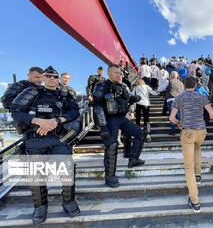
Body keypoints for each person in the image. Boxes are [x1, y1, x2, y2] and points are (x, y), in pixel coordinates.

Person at [10, 67, 80, 225]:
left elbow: (75, 112)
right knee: (36, 173)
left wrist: (57, 121)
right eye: (49, 76)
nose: (53, 78)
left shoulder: (65, 94)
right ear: (43, 77)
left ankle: (68, 201)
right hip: (36, 137)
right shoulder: (32, 92)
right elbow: (15, 111)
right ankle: (40, 206)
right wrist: (37, 121)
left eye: (55, 76)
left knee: (68, 168)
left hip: (58, 137)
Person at [93, 64, 146, 188]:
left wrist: (134, 99)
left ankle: (133, 159)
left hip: (122, 117)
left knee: (140, 133)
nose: (119, 75)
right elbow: (97, 107)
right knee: (112, 146)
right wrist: (103, 126)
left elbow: (127, 99)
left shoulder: (122, 87)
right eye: (116, 72)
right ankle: (110, 176)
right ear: (109, 73)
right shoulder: (101, 86)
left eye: (120, 73)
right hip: (110, 119)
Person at [169, 76, 213, 213]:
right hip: (201, 131)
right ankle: (198, 175)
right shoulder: (202, 96)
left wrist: (178, 123)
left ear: (184, 85)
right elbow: (212, 115)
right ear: (195, 85)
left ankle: (195, 201)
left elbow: (171, 118)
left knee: (188, 167)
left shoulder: (179, 98)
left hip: (187, 131)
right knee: (197, 148)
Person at [165, 71, 183, 135]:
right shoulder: (181, 83)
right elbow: (183, 91)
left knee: (172, 114)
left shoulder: (169, 81)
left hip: (171, 99)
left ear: (172, 76)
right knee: (178, 114)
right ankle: (181, 128)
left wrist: (157, 91)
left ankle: (173, 130)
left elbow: (162, 87)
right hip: (179, 99)